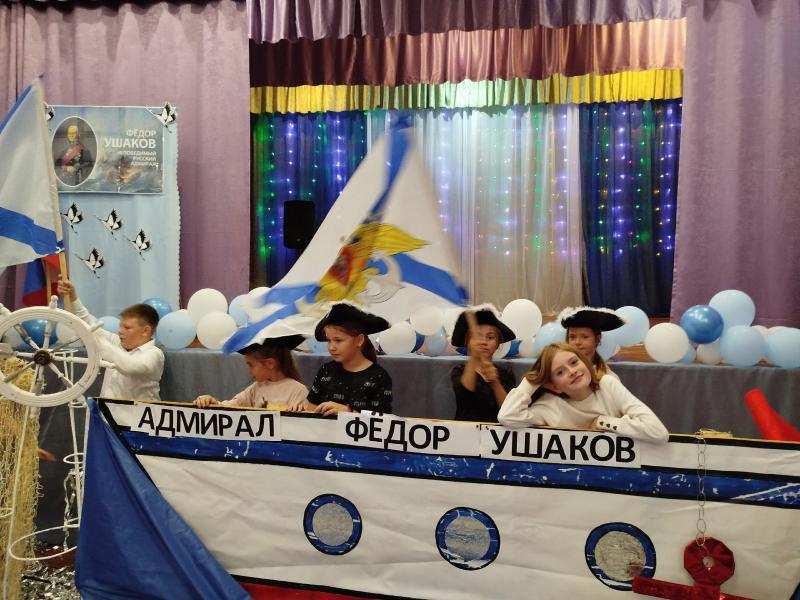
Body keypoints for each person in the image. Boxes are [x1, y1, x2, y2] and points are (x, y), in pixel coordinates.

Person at [498, 342, 668, 443]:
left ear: (585, 363)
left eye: (574, 362)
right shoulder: (549, 407)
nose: (572, 371)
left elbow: (658, 432)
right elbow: (507, 416)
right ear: (554, 386)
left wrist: (603, 422)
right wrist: (532, 380)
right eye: (560, 372)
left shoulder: (607, 385)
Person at [57, 278, 164, 400]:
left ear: (145, 331)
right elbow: (88, 323)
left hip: (138, 412)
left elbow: (131, 366)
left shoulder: (154, 354)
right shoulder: (116, 342)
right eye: (120, 326)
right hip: (106, 410)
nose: (120, 331)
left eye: (127, 327)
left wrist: (99, 341)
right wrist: (73, 297)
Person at [307, 302, 392, 416]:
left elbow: (383, 421)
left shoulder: (378, 377)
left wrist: (349, 413)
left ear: (359, 340)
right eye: (329, 340)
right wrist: (299, 410)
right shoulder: (326, 370)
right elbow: (311, 409)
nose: (331, 347)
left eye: (338, 340)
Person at [193, 335, 309, 411]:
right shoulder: (255, 389)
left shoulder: (298, 391)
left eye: (251, 365)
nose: (249, 371)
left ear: (269, 363)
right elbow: (230, 407)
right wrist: (212, 402)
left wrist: (298, 412)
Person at [450, 305, 517, 422]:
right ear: (467, 343)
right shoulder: (459, 371)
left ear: (497, 344)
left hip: (496, 431)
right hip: (464, 430)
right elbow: (465, 395)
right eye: (477, 337)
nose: (483, 342)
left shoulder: (506, 373)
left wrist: (495, 382)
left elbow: (509, 411)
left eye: (490, 337)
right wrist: (473, 357)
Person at [558, 306, 625, 379]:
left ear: (597, 339)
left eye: (585, 337)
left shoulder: (608, 378)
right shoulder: (562, 375)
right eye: (572, 337)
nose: (577, 342)